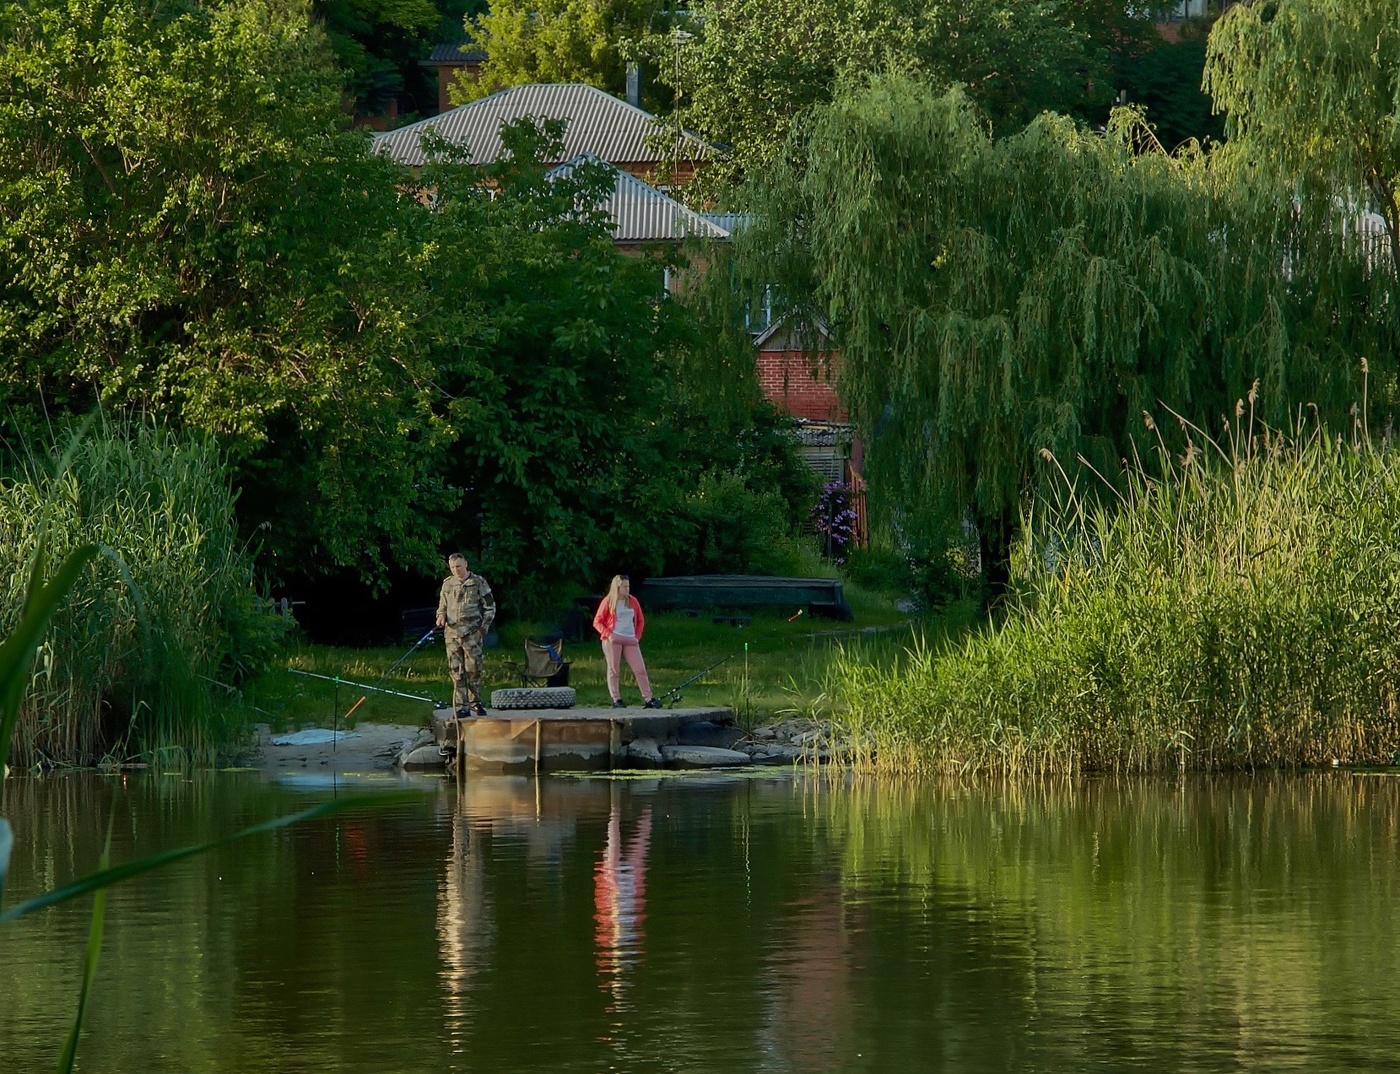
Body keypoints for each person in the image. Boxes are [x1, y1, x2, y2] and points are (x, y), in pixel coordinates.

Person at [436, 553, 496, 718]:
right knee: (457, 671)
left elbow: (490, 607)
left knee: (473, 670)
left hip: (472, 634)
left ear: (466, 565)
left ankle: (475, 702)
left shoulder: (478, 583)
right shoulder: (448, 584)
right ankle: (462, 706)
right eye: (453, 567)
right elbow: (442, 607)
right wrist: (440, 617)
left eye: (459, 566)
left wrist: (483, 628)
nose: (457, 570)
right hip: (452, 636)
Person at [593, 575, 661, 709]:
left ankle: (648, 698)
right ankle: (616, 699)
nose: (627, 589)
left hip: (630, 639)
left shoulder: (633, 601)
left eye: (628, 586)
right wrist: (608, 634)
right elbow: (597, 621)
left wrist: (637, 636)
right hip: (613, 638)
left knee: (640, 669)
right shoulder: (608, 601)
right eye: (624, 586)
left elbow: (640, 620)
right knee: (614, 669)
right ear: (617, 587)